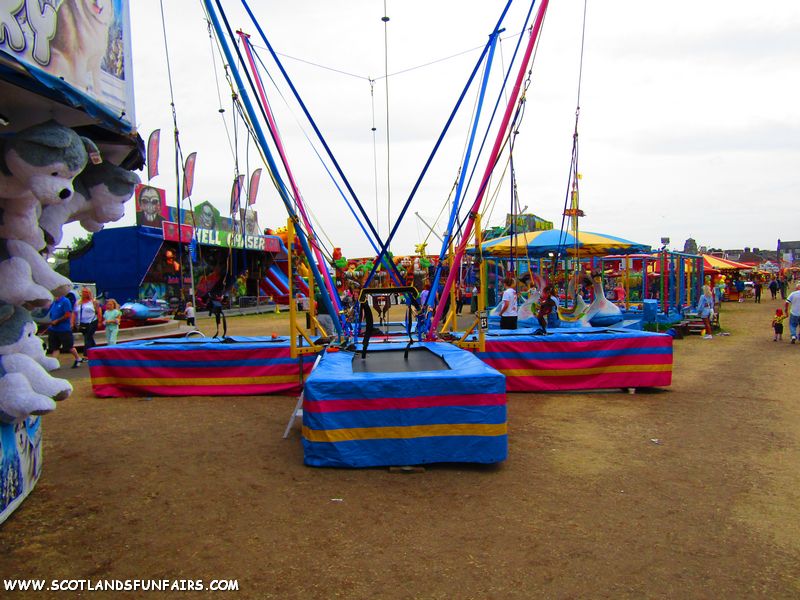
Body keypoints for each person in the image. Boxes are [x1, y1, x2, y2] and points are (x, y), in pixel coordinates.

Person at [47, 291, 82, 368]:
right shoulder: (54, 302)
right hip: (53, 329)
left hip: (64, 329)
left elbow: (67, 315)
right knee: (54, 347)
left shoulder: (65, 301)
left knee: (69, 347)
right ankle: (55, 364)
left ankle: (78, 358)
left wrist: (57, 320)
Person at [71, 287, 103, 358]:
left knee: (87, 337)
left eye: (86, 292)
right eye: (83, 292)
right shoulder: (78, 302)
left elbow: (98, 312)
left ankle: (86, 354)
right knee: (89, 338)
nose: (84, 293)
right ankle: (95, 352)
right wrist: (72, 322)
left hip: (92, 321)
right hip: (82, 323)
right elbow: (74, 313)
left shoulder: (93, 302)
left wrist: (99, 322)